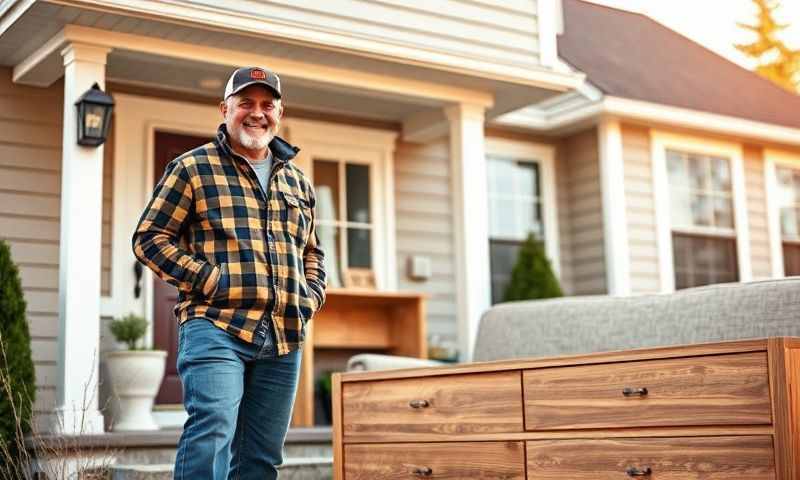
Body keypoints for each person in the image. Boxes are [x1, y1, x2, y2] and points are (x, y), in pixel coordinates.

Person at [132, 66, 326, 480]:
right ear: (225, 109)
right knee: (212, 432)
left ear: (279, 112)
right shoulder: (192, 168)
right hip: (216, 326)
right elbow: (150, 239)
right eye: (245, 104)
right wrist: (210, 279)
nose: (257, 113)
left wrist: (311, 295)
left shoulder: (297, 181)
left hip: (284, 334)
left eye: (267, 105)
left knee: (261, 457)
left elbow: (312, 251)